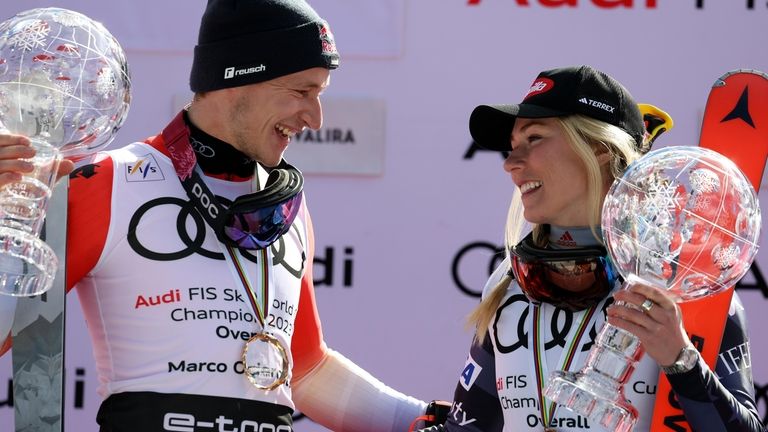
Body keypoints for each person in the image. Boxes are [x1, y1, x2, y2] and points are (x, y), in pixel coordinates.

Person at [0, 1, 428, 431]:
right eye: (302, 92)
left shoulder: (284, 209)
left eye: (319, 94)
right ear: (239, 77)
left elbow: (305, 369)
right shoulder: (107, 183)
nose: (314, 118)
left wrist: (429, 420)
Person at [417, 65, 764, 431]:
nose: (510, 163)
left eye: (534, 139)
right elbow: (466, 428)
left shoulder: (684, 286)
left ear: (599, 147)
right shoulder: (508, 281)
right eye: (513, 146)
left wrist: (682, 362)